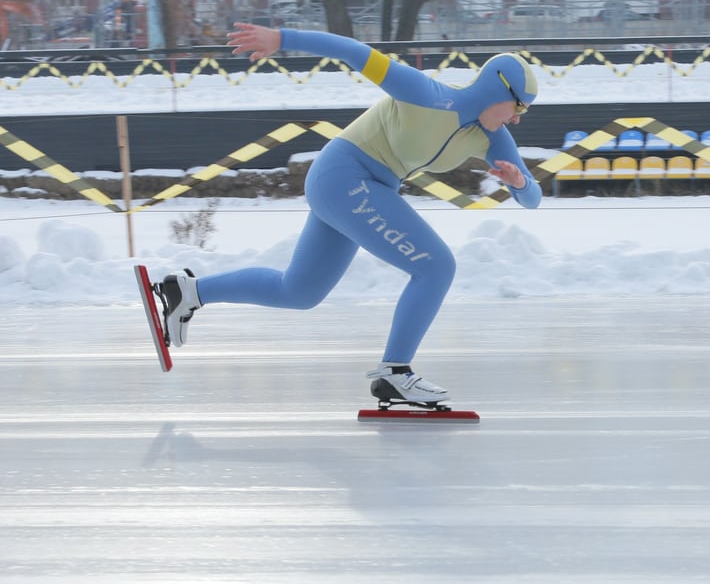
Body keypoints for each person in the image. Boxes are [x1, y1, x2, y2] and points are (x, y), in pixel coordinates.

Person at [153, 22, 542, 404]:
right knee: (436, 267)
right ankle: (395, 372)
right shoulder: (425, 93)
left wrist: (519, 183)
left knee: (299, 291)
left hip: (361, 188)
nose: (518, 118)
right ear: (499, 89)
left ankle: (188, 292)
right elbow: (354, 52)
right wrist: (281, 39)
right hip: (345, 175)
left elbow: (533, 198)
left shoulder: (493, 137)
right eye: (520, 106)